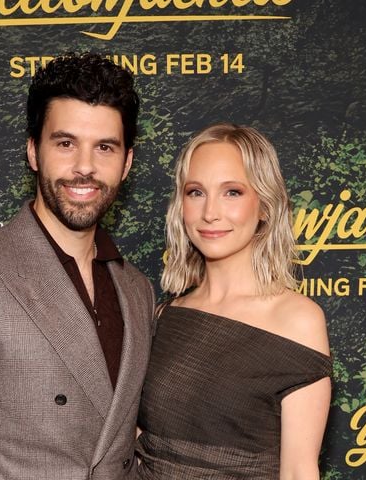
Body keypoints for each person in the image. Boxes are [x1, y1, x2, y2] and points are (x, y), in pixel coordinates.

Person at [0, 53, 155, 480]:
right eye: (65, 143)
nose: (85, 167)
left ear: (127, 163)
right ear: (33, 151)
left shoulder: (137, 290)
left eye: (105, 147)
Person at [136, 123, 332, 479]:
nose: (210, 212)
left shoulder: (297, 320)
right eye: (196, 192)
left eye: (232, 192)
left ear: (264, 206)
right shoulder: (165, 318)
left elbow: (298, 471)